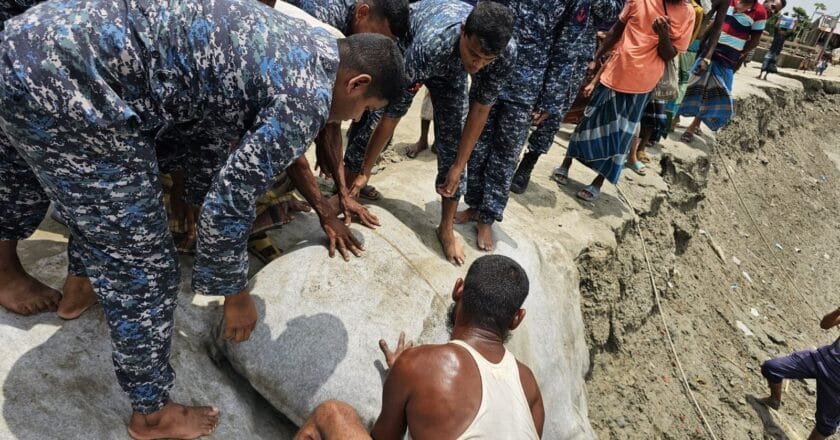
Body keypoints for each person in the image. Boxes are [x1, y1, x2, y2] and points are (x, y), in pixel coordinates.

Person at [0, 0, 405, 437]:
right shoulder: (306, 97)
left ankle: (81, 285)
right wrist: (235, 294)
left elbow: (213, 119)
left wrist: (195, 197)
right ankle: (151, 414)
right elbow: (231, 201)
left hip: (31, 41)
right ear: (356, 82)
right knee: (146, 265)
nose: (357, 118)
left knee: (102, 192)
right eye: (365, 108)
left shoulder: (306, 42)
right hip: (68, 83)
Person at [294, 255, 544, 439]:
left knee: (332, 414)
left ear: (458, 289)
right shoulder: (529, 385)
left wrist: (404, 372)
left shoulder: (418, 364)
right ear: (517, 318)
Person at [345, 0, 516, 265]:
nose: (478, 64)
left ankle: (445, 229)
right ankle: (347, 187)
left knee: (453, 145)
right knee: (375, 114)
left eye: (486, 60)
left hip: (450, 72)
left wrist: (459, 165)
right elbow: (392, 114)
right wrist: (366, 170)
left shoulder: (504, 54)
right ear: (463, 30)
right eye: (474, 53)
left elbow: (480, 109)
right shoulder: (430, 45)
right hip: (417, 45)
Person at [552, 0, 695, 202]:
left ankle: (597, 183)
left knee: (621, 134)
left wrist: (663, 33)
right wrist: (595, 58)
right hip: (614, 73)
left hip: (643, 83)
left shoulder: (688, 13)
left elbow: (670, 54)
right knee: (588, 122)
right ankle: (566, 165)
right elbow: (616, 30)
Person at [507, 0, 623, 195]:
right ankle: (510, 156)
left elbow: (611, 11)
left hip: (573, 55)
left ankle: (528, 162)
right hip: (539, 41)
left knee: (553, 112)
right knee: (522, 103)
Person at [678, 0, 785, 142]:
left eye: (776, 10)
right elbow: (715, 24)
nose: (772, 11)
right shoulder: (729, 2)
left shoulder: (759, 14)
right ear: (767, 1)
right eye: (773, 7)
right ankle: (674, 117)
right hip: (708, 52)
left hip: (727, 60)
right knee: (691, 84)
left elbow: (754, 42)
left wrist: (738, 53)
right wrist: (701, 44)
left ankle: (692, 127)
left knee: (713, 94)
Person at [759, 306, 840, 440]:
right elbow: (824, 325)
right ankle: (774, 400)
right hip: (819, 359)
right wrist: (838, 310)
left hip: (837, 383)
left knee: (825, 426)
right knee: (771, 367)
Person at [758, 12, 795, 79]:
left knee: (771, 64)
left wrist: (795, 23)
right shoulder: (776, 34)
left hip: (777, 52)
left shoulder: (785, 36)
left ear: (785, 32)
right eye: (781, 30)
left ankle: (765, 76)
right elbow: (776, 26)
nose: (781, 31)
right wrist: (779, 19)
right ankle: (760, 74)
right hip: (771, 50)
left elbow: (792, 31)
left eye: (783, 31)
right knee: (765, 62)